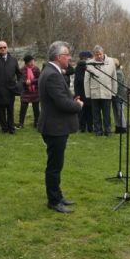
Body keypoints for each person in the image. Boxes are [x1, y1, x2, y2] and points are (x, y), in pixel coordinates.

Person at [37, 41, 83, 213]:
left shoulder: (51, 71)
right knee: (54, 166)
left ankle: (58, 195)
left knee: (56, 164)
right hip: (54, 126)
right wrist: (78, 105)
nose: (69, 58)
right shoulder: (52, 74)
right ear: (58, 57)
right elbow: (62, 102)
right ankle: (54, 201)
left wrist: (72, 100)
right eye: (67, 55)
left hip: (55, 125)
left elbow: (62, 96)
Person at [0, 41, 22, 134]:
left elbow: (19, 74)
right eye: (1, 48)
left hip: (10, 89)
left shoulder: (13, 60)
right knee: (1, 110)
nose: (3, 49)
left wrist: (18, 84)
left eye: (4, 47)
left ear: (7, 48)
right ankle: (4, 127)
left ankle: (11, 127)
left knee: (10, 110)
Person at [84, 45, 117, 136]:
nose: (98, 56)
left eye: (100, 54)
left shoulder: (110, 61)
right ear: (94, 54)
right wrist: (87, 94)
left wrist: (114, 92)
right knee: (96, 114)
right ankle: (98, 130)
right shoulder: (89, 63)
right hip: (94, 92)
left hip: (107, 92)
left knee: (107, 114)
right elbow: (86, 81)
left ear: (103, 53)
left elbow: (114, 78)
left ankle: (108, 130)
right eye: (96, 54)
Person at [73, 51, 93, 133]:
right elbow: (78, 81)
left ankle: (87, 127)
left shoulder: (87, 67)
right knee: (84, 110)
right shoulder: (80, 67)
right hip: (83, 92)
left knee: (87, 110)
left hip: (85, 92)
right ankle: (84, 127)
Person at [18, 54, 40, 128]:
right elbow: (20, 80)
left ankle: (37, 123)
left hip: (35, 91)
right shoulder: (22, 70)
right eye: (30, 62)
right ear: (26, 63)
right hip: (25, 92)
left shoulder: (36, 69)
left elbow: (40, 79)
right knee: (23, 108)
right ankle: (21, 123)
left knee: (36, 109)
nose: (32, 63)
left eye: (32, 61)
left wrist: (32, 81)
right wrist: (25, 82)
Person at [112, 58, 127, 134]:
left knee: (120, 111)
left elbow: (117, 84)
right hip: (114, 95)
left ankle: (123, 127)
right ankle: (118, 126)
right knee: (115, 111)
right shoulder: (115, 72)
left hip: (119, 95)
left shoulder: (118, 73)